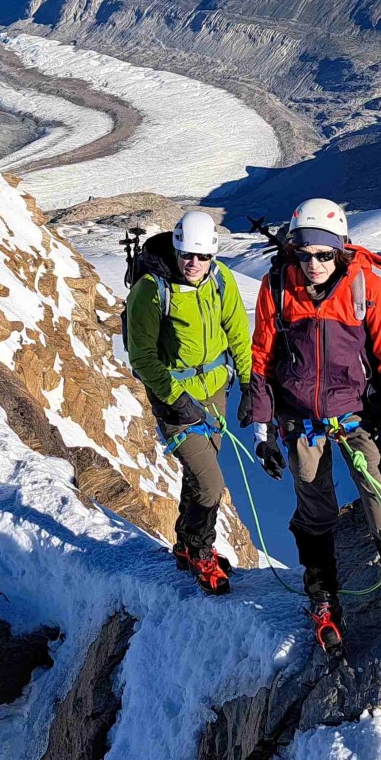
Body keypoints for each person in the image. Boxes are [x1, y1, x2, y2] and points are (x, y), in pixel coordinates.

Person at [243, 197, 381, 655]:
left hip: (357, 415)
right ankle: (322, 597)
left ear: (340, 249)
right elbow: (262, 362)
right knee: (315, 510)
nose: (313, 264)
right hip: (302, 419)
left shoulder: (368, 288)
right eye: (303, 254)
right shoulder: (278, 288)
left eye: (323, 254)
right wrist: (262, 431)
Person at [124, 211, 253, 596]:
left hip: (215, 392)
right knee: (211, 484)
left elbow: (237, 333)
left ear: (213, 255)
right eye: (186, 255)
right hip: (175, 399)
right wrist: (175, 399)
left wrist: (248, 383)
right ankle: (200, 549)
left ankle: (184, 542)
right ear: (176, 249)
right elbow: (142, 356)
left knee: (198, 476)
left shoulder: (221, 279)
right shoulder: (150, 290)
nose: (193, 263)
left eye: (202, 256)